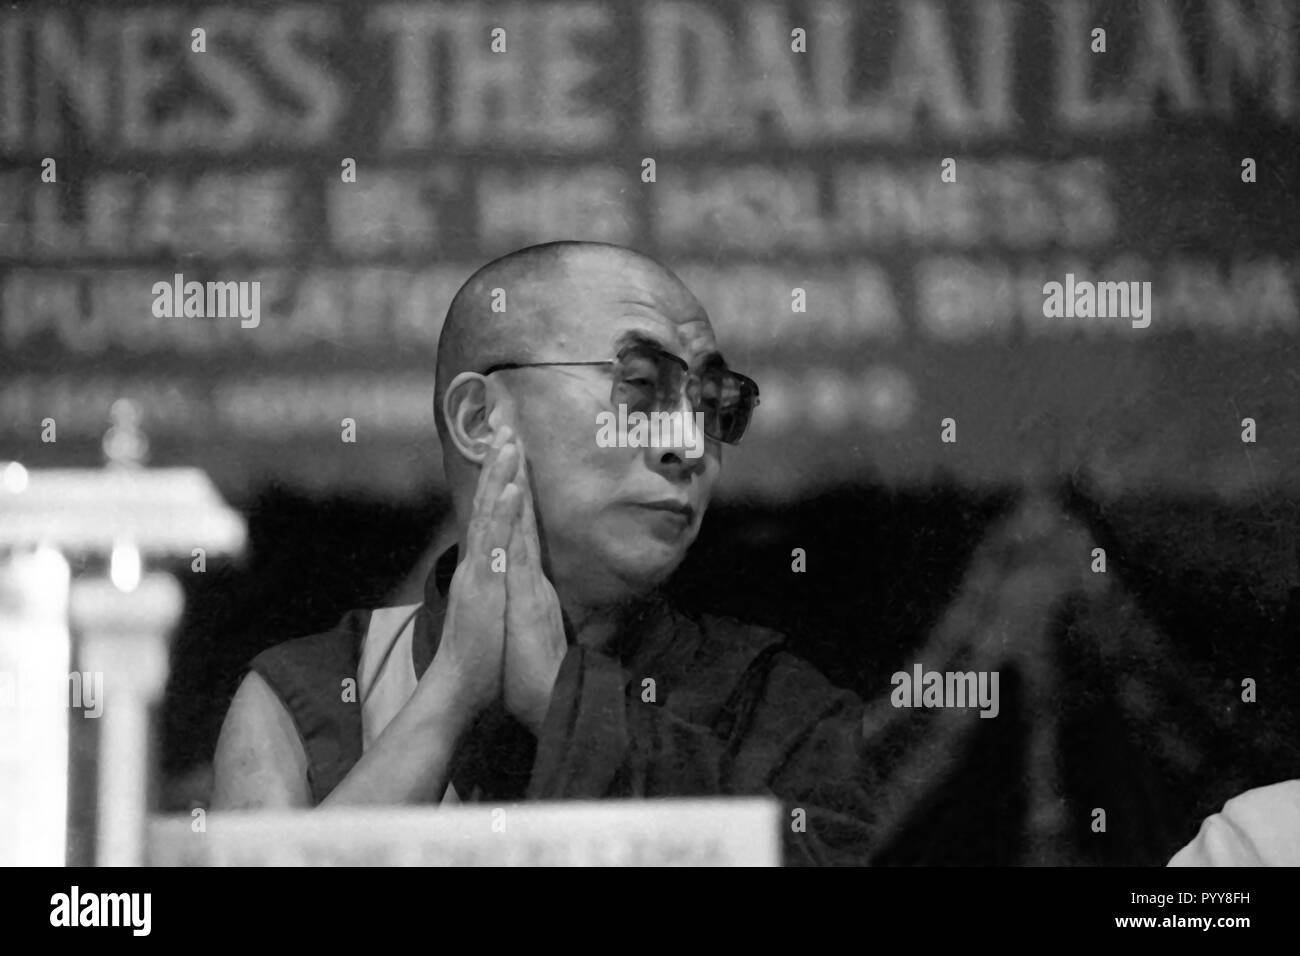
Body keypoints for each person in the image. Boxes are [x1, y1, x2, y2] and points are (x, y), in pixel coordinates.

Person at [211, 240, 880, 864]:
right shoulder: (304, 696)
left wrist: (562, 701)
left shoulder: (782, 710)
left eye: (712, 403)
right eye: (640, 387)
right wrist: (449, 694)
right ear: (480, 420)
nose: (691, 444)